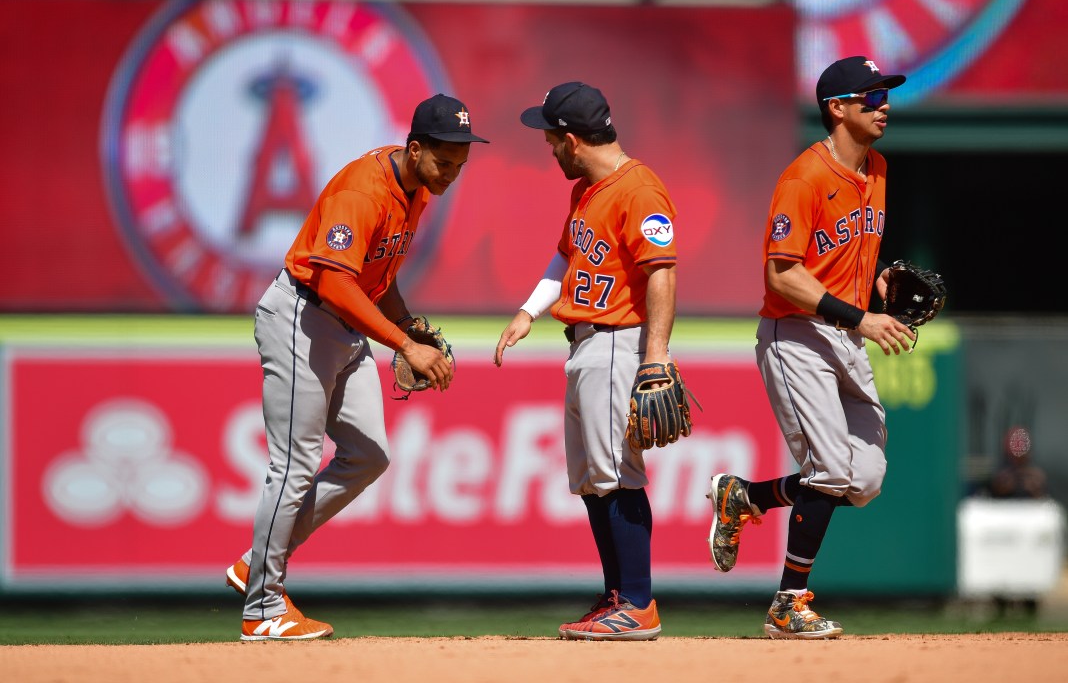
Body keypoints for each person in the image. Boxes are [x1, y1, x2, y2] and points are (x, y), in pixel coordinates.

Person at [226, 94, 487, 641]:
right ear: (415, 149)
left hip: (346, 328)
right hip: (303, 319)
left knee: (369, 455)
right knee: (293, 466)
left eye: (460, 165)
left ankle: (258, 562)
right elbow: (334, 281)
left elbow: (378, 277)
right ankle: (262, 608)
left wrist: (410, 326)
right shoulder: (361, 191)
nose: (452, 175)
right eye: (444, 162)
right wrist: (404, 346)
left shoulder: (416, 188)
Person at [706, 56, 913, 639]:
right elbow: (782, 275)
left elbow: (850, 249)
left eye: (886, 95)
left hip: (844, 332)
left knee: (864, 481)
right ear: (837, 108)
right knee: (828, 469)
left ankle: (744, 497)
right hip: (796, 333)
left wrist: (876, 283)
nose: (884, 106)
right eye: (871, 97)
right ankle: (788, 603)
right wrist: (862, 317)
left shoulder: (878, 169)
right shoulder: (804, 177)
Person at [495, 81, 679, 641]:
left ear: (572, 140)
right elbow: (566, 253)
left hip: (619, 343)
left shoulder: (639, 189)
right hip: (582, 343)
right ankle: (618, 596)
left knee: (617, 475)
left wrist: (655, 360)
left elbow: (662, 274)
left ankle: (640, 602)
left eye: (551, 138)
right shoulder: (586, 191)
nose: (548, 148)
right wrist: (529, 310)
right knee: (594, 481)